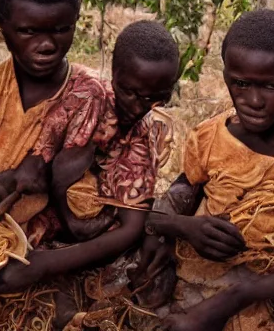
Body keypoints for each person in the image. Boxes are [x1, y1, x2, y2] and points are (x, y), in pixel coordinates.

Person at [0, 0, 123, 328]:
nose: (46, 45)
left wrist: (44, 265)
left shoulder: (97, 98)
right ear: (1, 29)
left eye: (60, 30)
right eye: (28, 31)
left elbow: (119, 216)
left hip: (58, 260)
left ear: (76, 23)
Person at [141, 9, 274, 331]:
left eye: (270, 87)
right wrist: (184, 227)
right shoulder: (210, 137)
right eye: (241, 84)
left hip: (264, 300)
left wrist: (239, 295)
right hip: (194, 282)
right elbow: (173, 199)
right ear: (226, 78)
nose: (253, 100)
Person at [44, 20, 185, 329]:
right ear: (113, 72)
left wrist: (46, 265)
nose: (138, 106)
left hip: (89, 246)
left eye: (154, 97)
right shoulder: (80, 98)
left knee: (155, 279)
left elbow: (130, 228)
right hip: (42, 227)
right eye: (130, 91)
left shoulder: (146, 134)